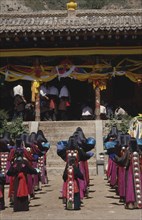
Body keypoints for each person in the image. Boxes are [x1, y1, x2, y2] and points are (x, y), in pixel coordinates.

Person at [7, 140, 39, 212]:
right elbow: (30, 167)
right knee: (24, 189)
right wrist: (35, 171)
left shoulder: (13, 154)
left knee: (15, 189)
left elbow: (9, 163)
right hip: (23, 177)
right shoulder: (24, 161)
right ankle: (24, 206)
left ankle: (16, 206)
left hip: (15, 177)